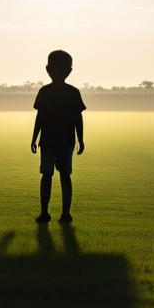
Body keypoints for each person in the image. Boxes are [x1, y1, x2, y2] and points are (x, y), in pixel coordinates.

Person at [31, 49, 86, 224]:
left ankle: (46, 213)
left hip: (49, 141)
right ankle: (65, 214)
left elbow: (39, 117)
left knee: (47, 175)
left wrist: (34, 138)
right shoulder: (72, 92)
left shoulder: (45, 91)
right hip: (64, 141)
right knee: (64, 175)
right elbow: (78, 118)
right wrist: (80, 139)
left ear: (47, 69)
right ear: (70, 70)